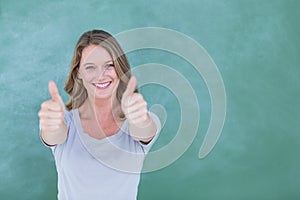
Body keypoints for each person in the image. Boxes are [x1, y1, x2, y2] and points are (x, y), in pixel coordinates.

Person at [38, 29, 161, 200]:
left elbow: (144, 129)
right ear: (78, 73)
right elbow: (54, 135)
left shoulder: (141, 120)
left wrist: (140, 120)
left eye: (109, 65)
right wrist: (51, 125)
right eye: (90, 67)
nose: (101, 75)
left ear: (120, 68)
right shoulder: (64, 120)